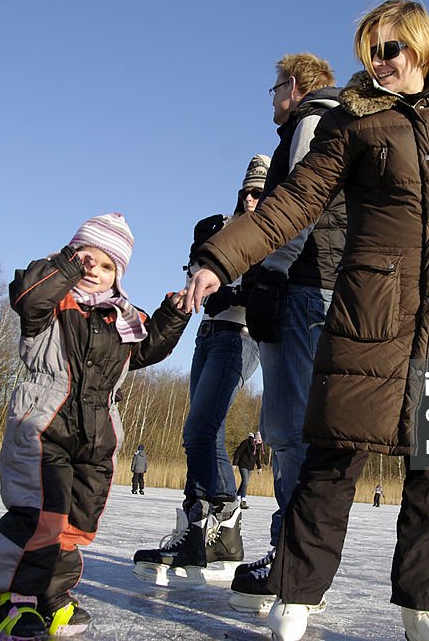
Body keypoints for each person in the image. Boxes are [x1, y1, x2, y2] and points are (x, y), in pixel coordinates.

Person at [187, 0, 429, 641]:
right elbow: (291, 204)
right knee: (333, 458)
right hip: (371, 315)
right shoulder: (354, 124)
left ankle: (424, 605)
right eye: (369, 52)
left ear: (421, 49)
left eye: (390, 49)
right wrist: (221, 258)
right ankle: (298, 595)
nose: (377, 63)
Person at [0, 212, 190, 640]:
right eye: (88, 258)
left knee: (76, 524)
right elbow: (27, 296)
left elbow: (147, 350)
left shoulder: (121, 320)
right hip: (43, 427)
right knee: (39, 516)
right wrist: (68, 266)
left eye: (107, 265)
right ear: (71, 255)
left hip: (97, 437)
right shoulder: (50, 305)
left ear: (119, 275)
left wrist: (174, 313)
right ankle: (10, 594)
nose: (95, 270)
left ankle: (52, 594)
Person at [229, 53, 347, 612]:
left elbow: (299, 205)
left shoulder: (311, 122)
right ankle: (294, 557)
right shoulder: (332, 121)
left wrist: (270, 276)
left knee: (290, 427)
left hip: (303, 285)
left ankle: (292, 561)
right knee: (292, 426)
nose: (271, 97)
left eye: (274, 86)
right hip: (315, 285)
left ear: (294, 86)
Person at [132, 157, 265, 588]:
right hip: (208, 334)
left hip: (240, 335)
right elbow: (200, 275)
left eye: (261, 192)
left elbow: (265, 288)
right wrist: (200, 261)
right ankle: (197, 529)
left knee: (200, 427)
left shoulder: (272, 237)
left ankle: (223, 521)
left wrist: (232, 280)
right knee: (206, 428)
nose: (251, 197)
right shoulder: (223, 229)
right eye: (247, 189)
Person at [232, 433, 261, 510]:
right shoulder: (246, 442)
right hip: (243, 464)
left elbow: (257, 457)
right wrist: (234, 464)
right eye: (259, 440)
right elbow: (238, 452)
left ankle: (237, 497)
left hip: (251, 466)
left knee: (244, 482)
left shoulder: (258, 446)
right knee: (245, 482)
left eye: (261, 441)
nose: (260, 442)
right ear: (255, 439)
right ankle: (243, 501)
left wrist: (259, 467)